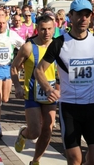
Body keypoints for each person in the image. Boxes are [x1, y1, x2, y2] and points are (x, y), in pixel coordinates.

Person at [34, 0, 94, 165]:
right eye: (79, 15)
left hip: (92, 107)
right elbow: (39, 70)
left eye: (87, 15)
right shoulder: (59, 43)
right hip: (69, 109)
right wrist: (48, 89)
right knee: (75, 160)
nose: (83, 18)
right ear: (70, 16)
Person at [11, 15, 57, 165]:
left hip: (50, 94)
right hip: (31, 94)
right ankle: (24, 134)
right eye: (43, 29)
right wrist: (17, 86)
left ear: (54, 28)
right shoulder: (28, 47)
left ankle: (35, 160)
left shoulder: (58, 46)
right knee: (35, 132)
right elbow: (13, 67)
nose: (46, 32)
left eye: (49, 29)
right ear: (37, 29)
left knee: (48, 130)